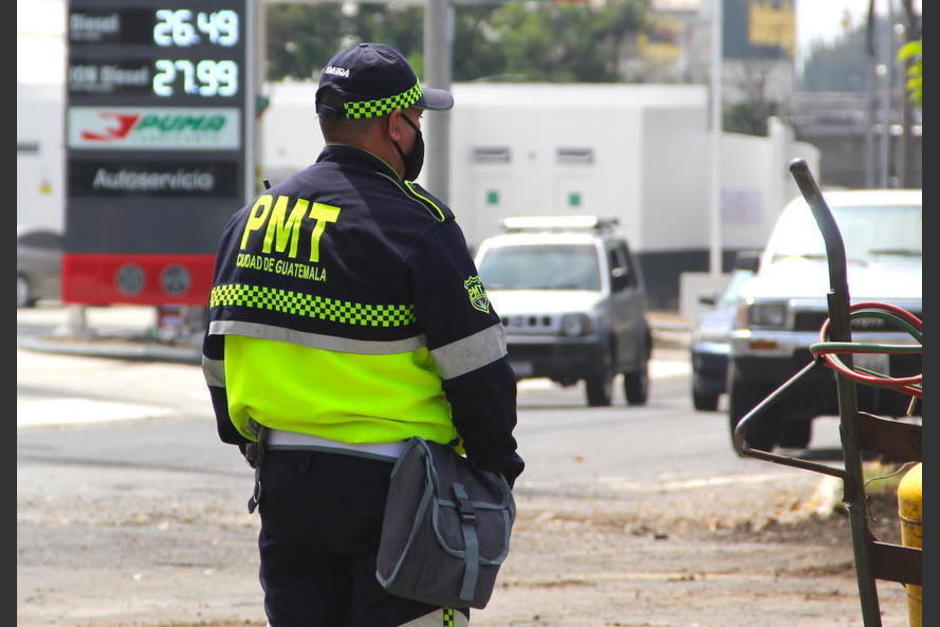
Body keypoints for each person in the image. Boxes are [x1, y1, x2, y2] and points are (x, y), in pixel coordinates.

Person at [201, 42, 524, 627]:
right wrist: (495, 467)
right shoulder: (417, 225)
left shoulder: (251, 221)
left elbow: (218, 358)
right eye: (418, 119)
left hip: (286, 487)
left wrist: (246, 437)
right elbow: (479, 370)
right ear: (394, 125)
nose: (418, 131)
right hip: (398, 494)